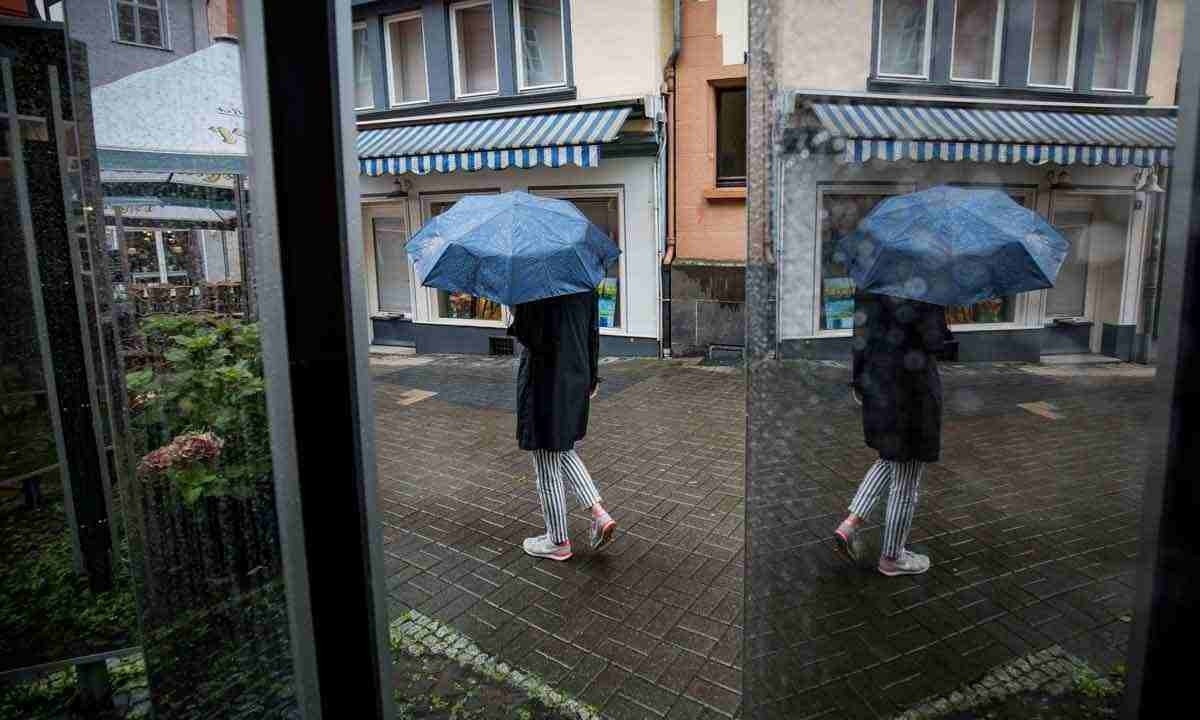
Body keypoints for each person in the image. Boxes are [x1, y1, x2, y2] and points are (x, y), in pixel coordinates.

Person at [835, 290, 951, 576]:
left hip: (879, 383)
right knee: (907, 474)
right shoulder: (924, 285)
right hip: (913, 390)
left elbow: (860, 335)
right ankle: (892, 557)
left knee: (889, 457)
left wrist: (859, 380)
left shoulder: (872, 282)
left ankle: (849, 525)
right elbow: (934, 341)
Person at [508, 290, 616, 561]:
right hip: (575, 374)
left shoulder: (536, 285)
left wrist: (515, 308)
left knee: (545, 461)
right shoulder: (583, 281)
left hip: (545, 380)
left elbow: (529, 334)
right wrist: (591, 376)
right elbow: (593, 332)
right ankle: (598, 513)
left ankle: (557, 541)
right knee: (562, 447)